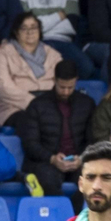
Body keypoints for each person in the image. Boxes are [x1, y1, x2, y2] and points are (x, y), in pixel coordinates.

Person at [17, 62, 94, 199]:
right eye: (62, 87)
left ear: (76, 81)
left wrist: (82, 158)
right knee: (47, 180)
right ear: (54, 80)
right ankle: (62, 212)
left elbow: (93, 140)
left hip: (78, 161)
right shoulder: (38, 105)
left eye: (70, 87)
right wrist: (52, 158)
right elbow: (30, 143)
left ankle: (75, 212)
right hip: (46, 162)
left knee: (92, 180)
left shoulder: (87, 104)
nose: (66, 92)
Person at [0, 11, 62, 133]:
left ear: (39, 30)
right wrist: (34, 103)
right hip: (15, 108)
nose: (30, 32)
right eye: (24, 28)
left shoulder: (53, 54)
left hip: (49, 106)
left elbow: (62, 81)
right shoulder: (4, 53)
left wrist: (47, 105)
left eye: (34, 27)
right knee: (31, 123)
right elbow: (2, 86)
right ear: (16, 32)